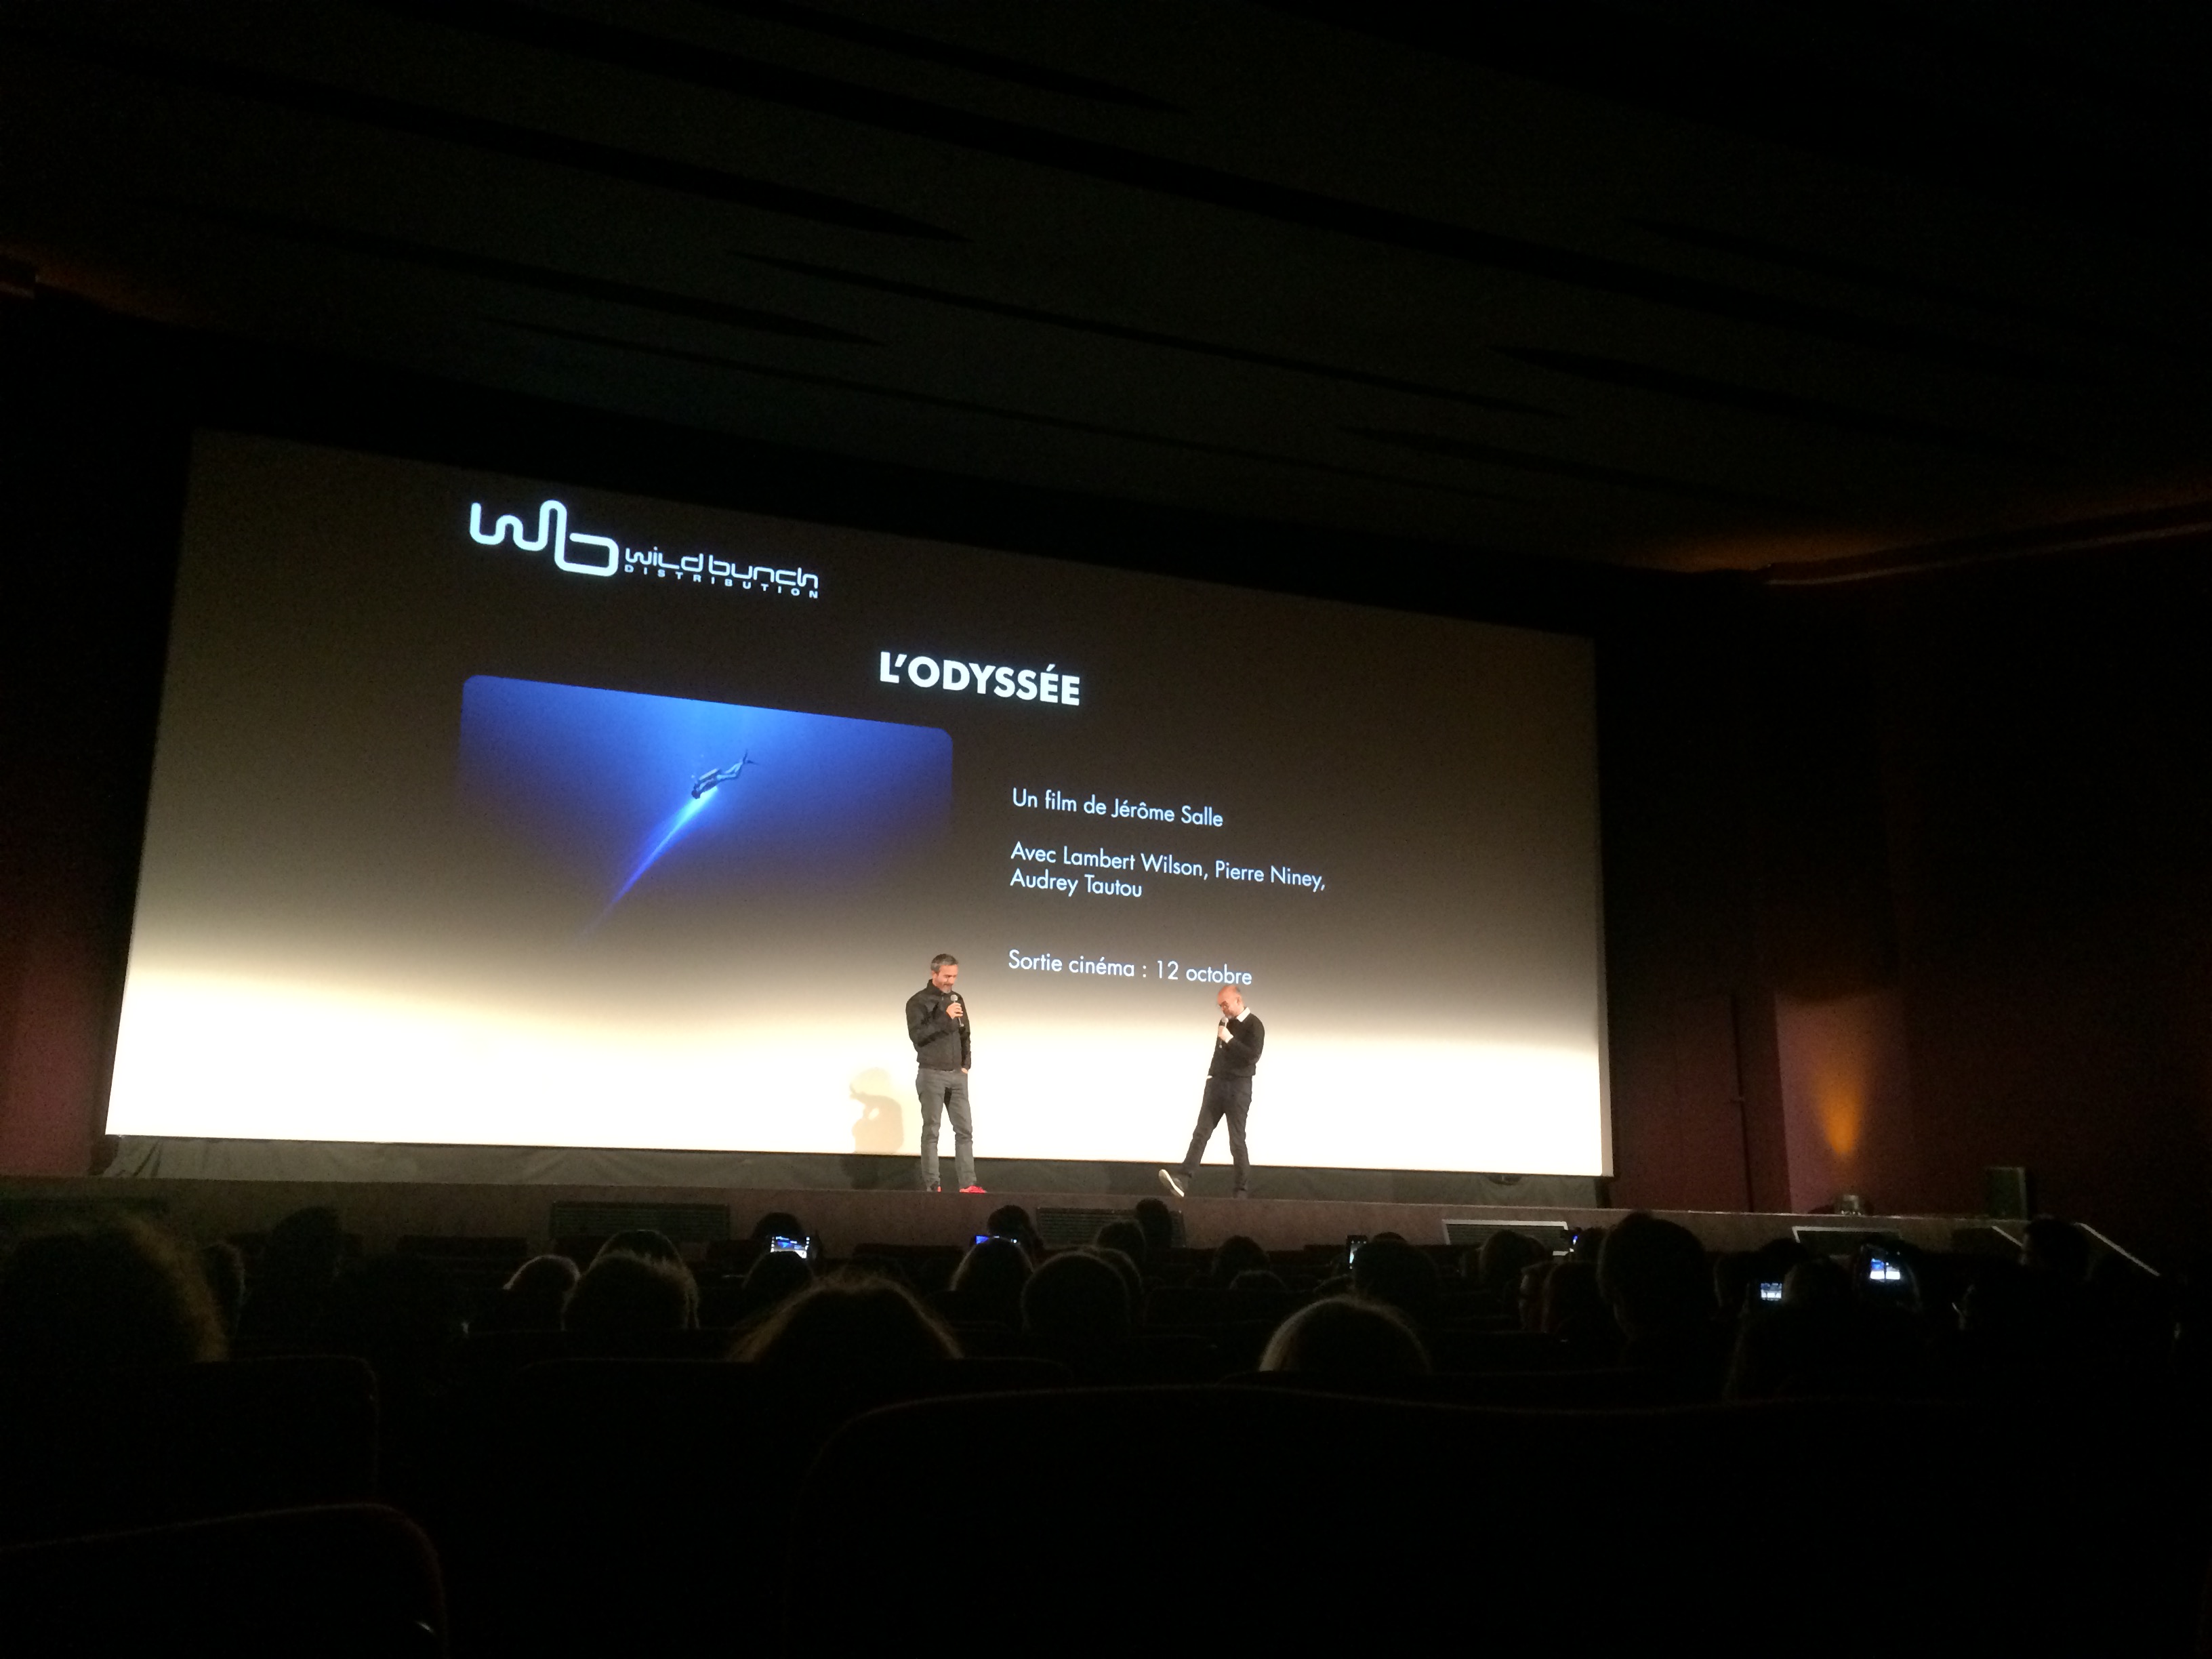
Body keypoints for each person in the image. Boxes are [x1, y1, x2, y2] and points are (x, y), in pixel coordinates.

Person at [1158, 986, 1265, 1199]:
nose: (1223, 1009)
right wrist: (1211, 1075)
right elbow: (1219, 1054)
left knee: (1237, 1141)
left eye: (1225, 1004)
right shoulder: (1225, 1023)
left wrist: (1229, 1039)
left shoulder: (1255, 1025)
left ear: (1238, 1000)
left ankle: (1241, 1192)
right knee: (1201, 1133)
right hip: (1216, 1085)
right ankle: (1182, 1180)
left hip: (1238, 1088)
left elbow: (1253, 1056)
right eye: (1220, 1006)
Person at [907, 953, 983, 1193]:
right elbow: (918, 1036)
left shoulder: (957, 999)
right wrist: (944, 1016)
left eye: (955, 976)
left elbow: (965, 1034)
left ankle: (968, 1185)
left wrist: (966, 1064)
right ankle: (933, 1186)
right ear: (934, 973)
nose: (951, 981)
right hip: (931, 1073)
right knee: (932, 1131)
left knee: (965, 1131)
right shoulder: (918, 1002)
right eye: (947, 976)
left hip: (957, 1075)